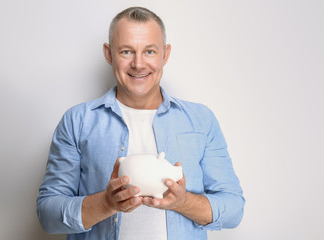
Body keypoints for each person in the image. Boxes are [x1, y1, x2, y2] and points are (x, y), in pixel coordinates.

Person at [37, 6, 245, 240]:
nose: (138, 64)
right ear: (109, 54)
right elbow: (48, 214)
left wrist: (183, 202)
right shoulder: (77, 121)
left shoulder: (201, 120)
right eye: (126, 51)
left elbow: (233, 208)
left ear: (165, 55)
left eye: (149, 51)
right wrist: (106, 204)